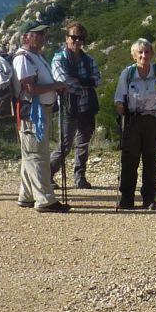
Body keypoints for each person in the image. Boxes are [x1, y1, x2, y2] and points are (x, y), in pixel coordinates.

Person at [12, 19, 72, 213]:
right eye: (37, 34)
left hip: (38, 111)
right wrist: (56, 86)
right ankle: (45, 199)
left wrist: (55, 86)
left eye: (43, 34)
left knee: (31, 154)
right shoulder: (23, 58)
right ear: (25, 36)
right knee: (37, 155)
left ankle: (27, 195)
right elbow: (30, 88)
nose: (42, 37)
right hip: (31, 112)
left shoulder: (35, 56)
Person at [114, 38, 156, 210]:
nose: (144, 55)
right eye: (140, 52)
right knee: (129, 160)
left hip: (153, 120)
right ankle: (127, 198)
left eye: (147, 52)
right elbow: (118, 100)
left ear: (152, 54)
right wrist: (123, 115)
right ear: (134, 55)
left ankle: (149, 198)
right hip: (133, 120)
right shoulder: (128, 74)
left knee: (150, 160)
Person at [50, 21, 102, 189]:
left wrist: (76, 81)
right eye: (74, 37)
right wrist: (86, 81)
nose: (77, 41)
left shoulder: (89, 59)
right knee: (65, 145)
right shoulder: (59, 58)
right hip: (68, 107)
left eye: (81, 38)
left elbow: (98, 80)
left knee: (83, 144)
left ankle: (80, 177)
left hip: (86, 107)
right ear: (67, 38)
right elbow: (62, 79)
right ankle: (48, 174)